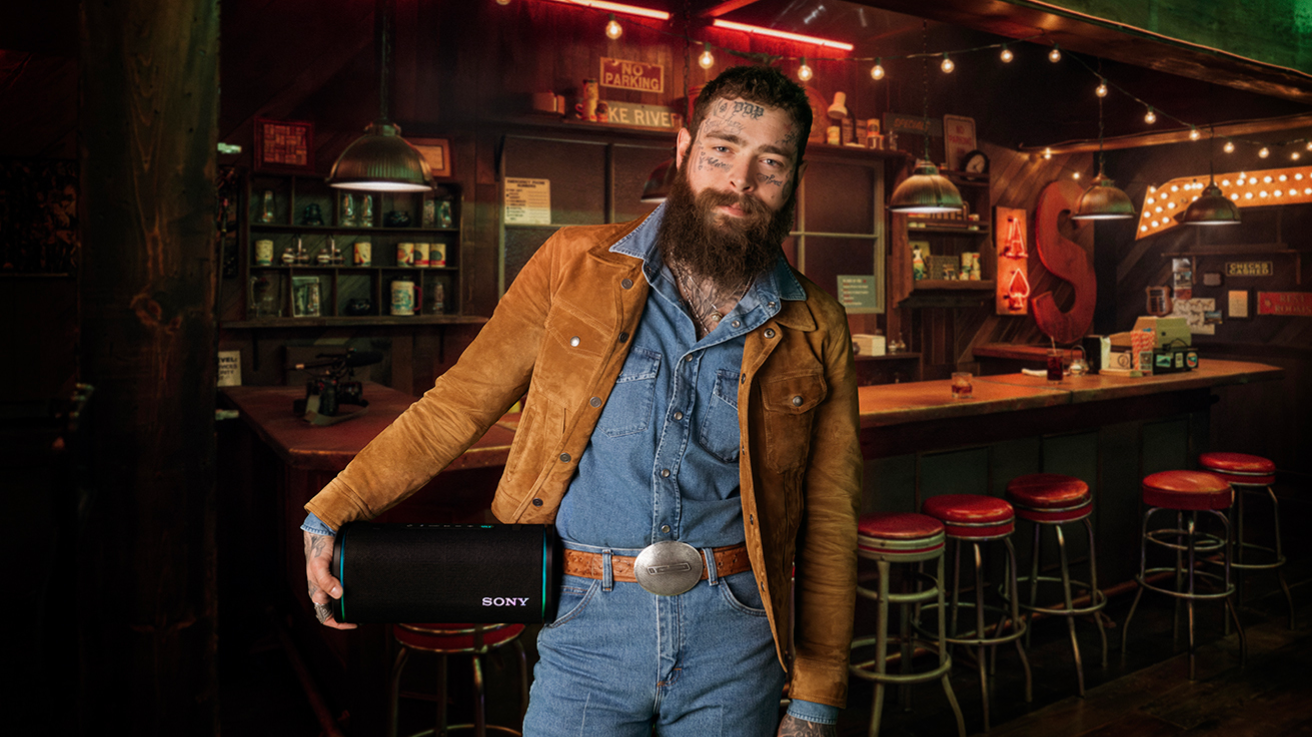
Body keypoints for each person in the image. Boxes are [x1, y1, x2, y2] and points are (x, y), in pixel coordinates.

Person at [302, 64, 861, 736]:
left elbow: (830, 520)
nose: (741, 181)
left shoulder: (816, 322)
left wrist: (815, 696)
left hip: (736, 635)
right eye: (723, 150)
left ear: (793, 178)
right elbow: (455, 404)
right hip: (586, 625)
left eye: (770, 163)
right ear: (684, 150)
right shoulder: (572, 264)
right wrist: (334, 506)